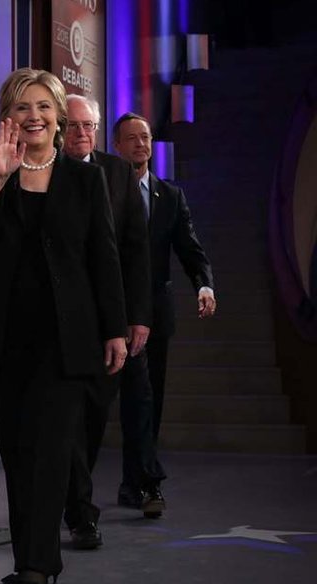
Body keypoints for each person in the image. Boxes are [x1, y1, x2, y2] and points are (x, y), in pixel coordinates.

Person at [0, 69, 128, 584]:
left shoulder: (85, 178)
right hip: (5, 335)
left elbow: (104, 258)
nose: (35, 117)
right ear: (9, 117)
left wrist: (114, 328)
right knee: (18, 455)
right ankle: (28, 561)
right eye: (23, 108)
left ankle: (36, 567)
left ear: (59, 117)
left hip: (66, 338)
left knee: (51, 452)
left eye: (44, 107)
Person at [112, 112, 216, 516]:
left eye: (146, 137)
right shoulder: (102, 189)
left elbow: (190, 248)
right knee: (130, 398)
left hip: (155, 314)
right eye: (132, 138)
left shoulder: (170, 196)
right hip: (110, 311)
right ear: (117, 146)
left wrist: (203, 284)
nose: (141, 144)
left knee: (147, 399)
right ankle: (143, 481)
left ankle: (135, 482)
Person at [60, 95, 152, 549]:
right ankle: (80, 512)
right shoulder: (45, 170)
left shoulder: (117, 174)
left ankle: (73, 499)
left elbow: (136, 252)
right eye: (74, 126)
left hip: (108, 320)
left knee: (94, 418)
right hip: (57, 322)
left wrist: (137, 317)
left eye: (89, 126)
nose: (82, 134)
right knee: (67, 419)